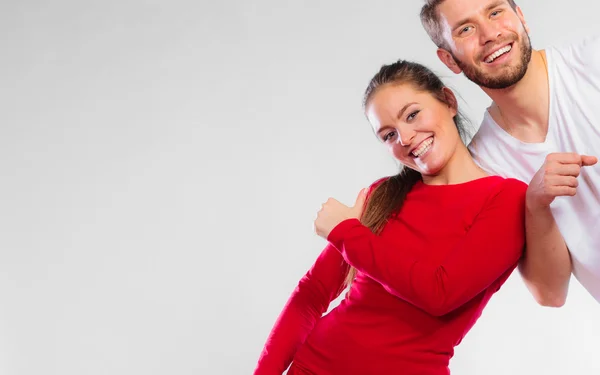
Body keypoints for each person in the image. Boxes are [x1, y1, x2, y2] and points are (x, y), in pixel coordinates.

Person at [253, 60, 527, 375]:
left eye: (412, 115)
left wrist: (346, 233)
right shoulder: (381, 195)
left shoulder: (505, 199)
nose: (406, 138)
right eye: (388, 135)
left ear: (448, 101)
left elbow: (441, 294)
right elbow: (312, 293)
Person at [420, 0, 600, 307]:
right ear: (450, 60)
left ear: (521, 18)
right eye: (466, 29)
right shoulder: (483, 166)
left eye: (495, 11)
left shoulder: (591, 61)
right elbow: (550, 293)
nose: (489, 34)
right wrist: (535, 204)